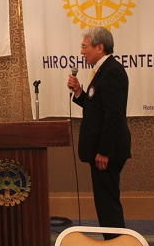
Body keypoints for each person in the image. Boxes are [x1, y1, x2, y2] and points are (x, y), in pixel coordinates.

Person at [67, 27, 131, 239]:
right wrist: (79, 92)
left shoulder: (112, 72)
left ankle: (117, 243)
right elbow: (96, 108)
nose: (82, 51)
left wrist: (104, 151)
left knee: (108, 203)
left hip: (107, 153)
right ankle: (114, 241)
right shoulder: (102, 71)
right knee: (104, 202)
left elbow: (114, 115)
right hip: (102, 151)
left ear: (100, 47)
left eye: (84, 47)